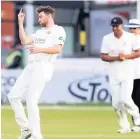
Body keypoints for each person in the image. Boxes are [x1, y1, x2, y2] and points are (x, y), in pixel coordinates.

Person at [7, 5, 66, 139]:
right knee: (13, 96)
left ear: (49, 16)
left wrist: (39, 49)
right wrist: (20, 23)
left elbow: (57, 49)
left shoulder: (59, 30)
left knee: (31, 101)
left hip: (44, 67)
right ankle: (25, 130)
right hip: (31, 67)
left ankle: (36, 136)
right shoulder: (39, 33)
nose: (38, 19)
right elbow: (24, 40)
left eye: (41, 16)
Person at [100, 17, 140, 134]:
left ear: (121, 25)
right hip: (114, 75)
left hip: (127, 74)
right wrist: (116, 58)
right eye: (113, 26)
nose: (115, 28)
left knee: (125, 99)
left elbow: (138, 52)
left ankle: (137, 118)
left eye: (117, 26)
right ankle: (124, 126)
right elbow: (103, 56)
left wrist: (126, 57)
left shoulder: (130, 37)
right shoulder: (107, 38)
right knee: (116, 103)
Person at [124, 18, 140, 122]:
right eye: (130, 29)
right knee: (132, 101)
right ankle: (136, 123)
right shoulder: (126, 42)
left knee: (139, 99)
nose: (132, 31)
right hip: (130, 75)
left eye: (134, 28)